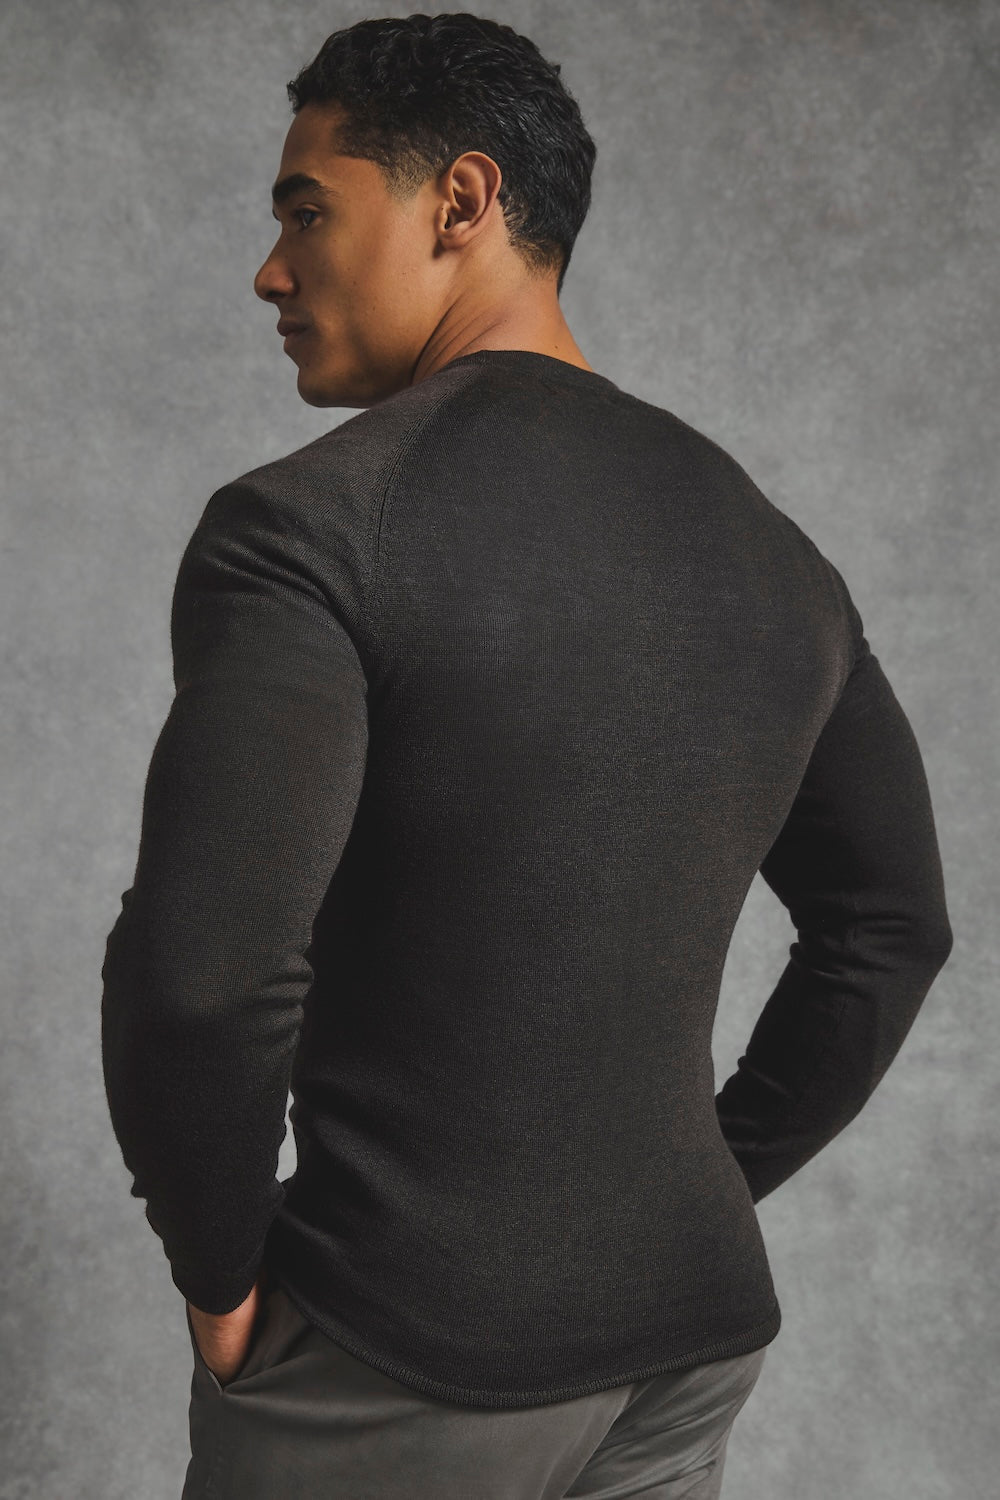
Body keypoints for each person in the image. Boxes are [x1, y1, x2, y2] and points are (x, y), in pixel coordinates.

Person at [99, 13, 954, 1499]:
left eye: (307, 212)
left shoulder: (306, 531)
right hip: (682, 1349)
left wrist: (221, 1279)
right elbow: (893, 929)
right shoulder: (774, 553)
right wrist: (703, 1188)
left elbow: (204, 973)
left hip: (397, 1360)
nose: (271, 270)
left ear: (463, 201)